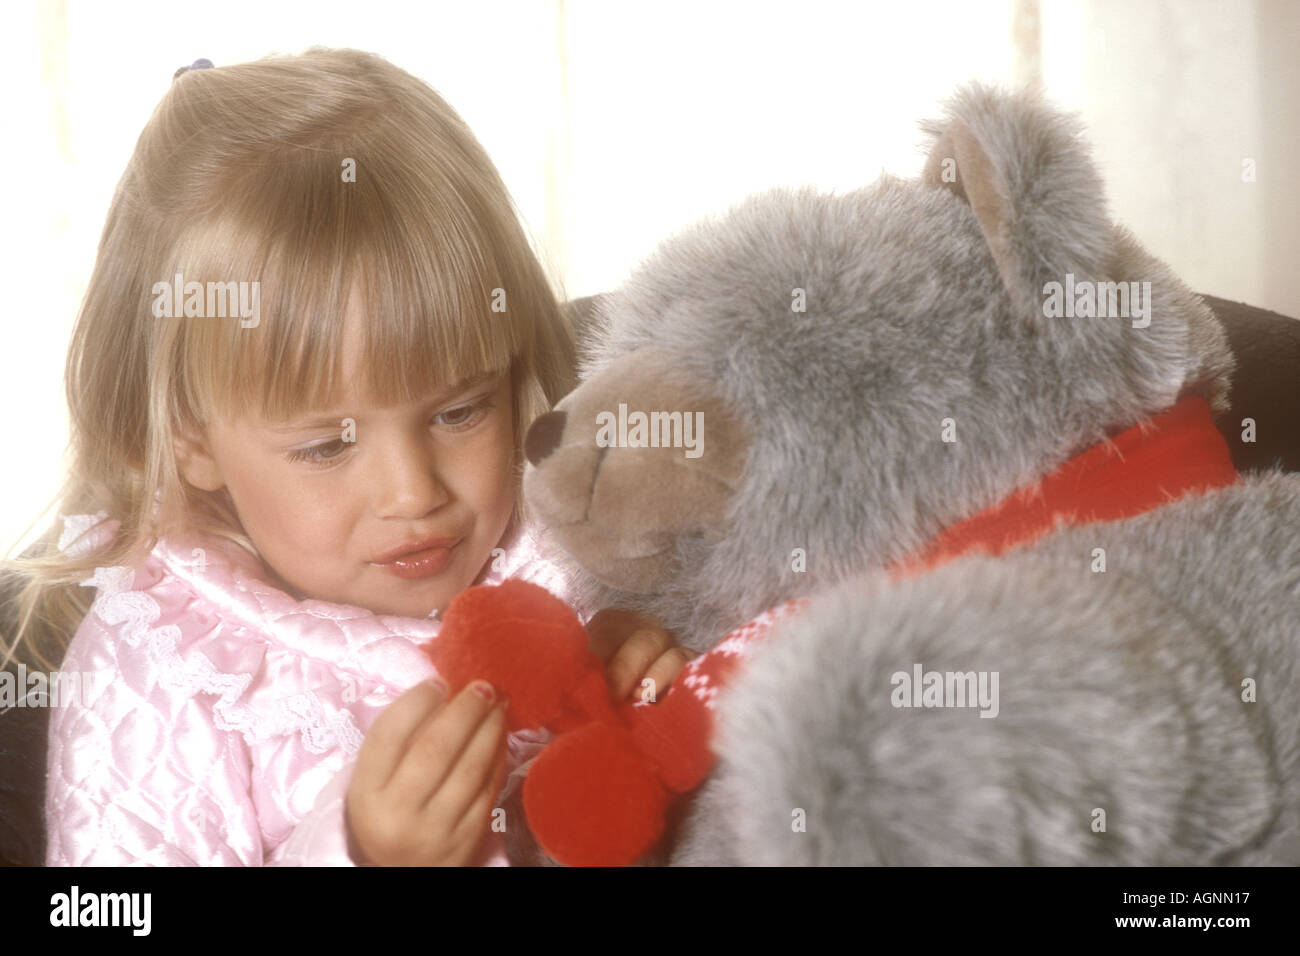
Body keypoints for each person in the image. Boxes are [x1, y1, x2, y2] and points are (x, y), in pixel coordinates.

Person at [1, 48, 690, 866]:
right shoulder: (153, 675)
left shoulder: (573, 534)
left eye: (461, 410)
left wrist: (639, 676)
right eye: (327, 446)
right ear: (190, 442)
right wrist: (360, 853)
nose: (413, 493)